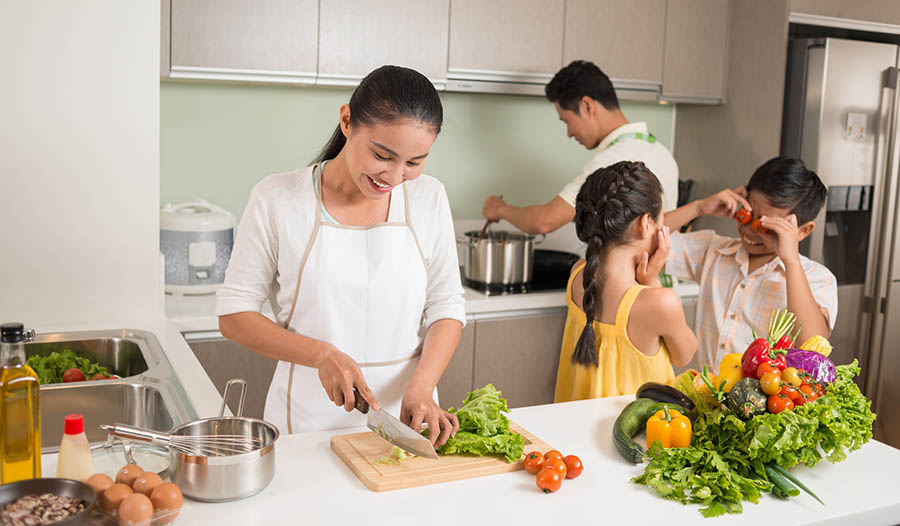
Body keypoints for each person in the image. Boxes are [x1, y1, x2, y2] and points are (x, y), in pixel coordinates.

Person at [216, 65, 466, 446]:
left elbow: (446, 305)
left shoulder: (429, 198)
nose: (395, 177)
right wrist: (320, 354)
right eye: (383, 155)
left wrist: (423, 386)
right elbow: (235, 316)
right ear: (347, 121)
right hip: (305, 427)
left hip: (406, 424)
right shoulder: (278, 199)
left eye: (414, 163)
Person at [663, 156, 836, 371]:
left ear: (802, 231)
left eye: (766, 227)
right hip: (705, 398)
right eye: (747, 216)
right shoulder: (713, 251)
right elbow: (641, 241)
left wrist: (790, 261)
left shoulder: (817, 278)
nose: (749, 230)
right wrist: (698, 208)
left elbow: (813, 350)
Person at [482, 60, 679, 235]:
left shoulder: (615, 160)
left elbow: (544, 222)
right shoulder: (660, 150)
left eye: (566, 120)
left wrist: (500, 209)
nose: (568, 133)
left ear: (587, 106)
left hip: (627, 276)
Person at [554, 161, 697, 402]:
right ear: (644, 224)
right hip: (634, 438)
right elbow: (686, 355)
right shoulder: (660, 302)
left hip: (572, 433)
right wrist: (653, 282)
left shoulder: (578, 275)